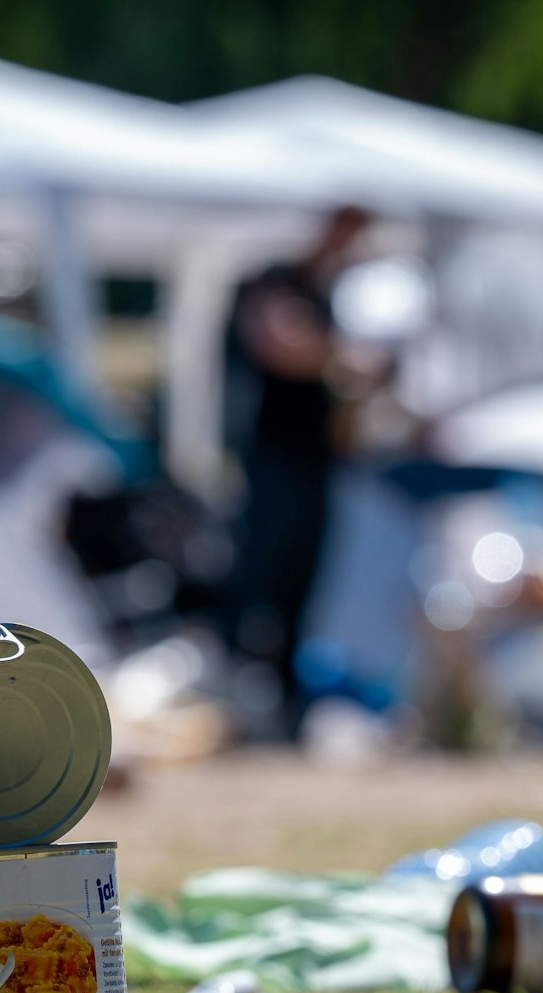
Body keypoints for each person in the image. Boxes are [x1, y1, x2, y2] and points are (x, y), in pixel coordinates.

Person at [222, 206, 370, 738]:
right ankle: (234, 698)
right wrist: (345, 359)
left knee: (303, 587)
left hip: (316, 461)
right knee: (260, 576)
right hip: (273, 457)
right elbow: (283, 345)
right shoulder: (275, 280)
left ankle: (284, 711)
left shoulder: (329, 295)